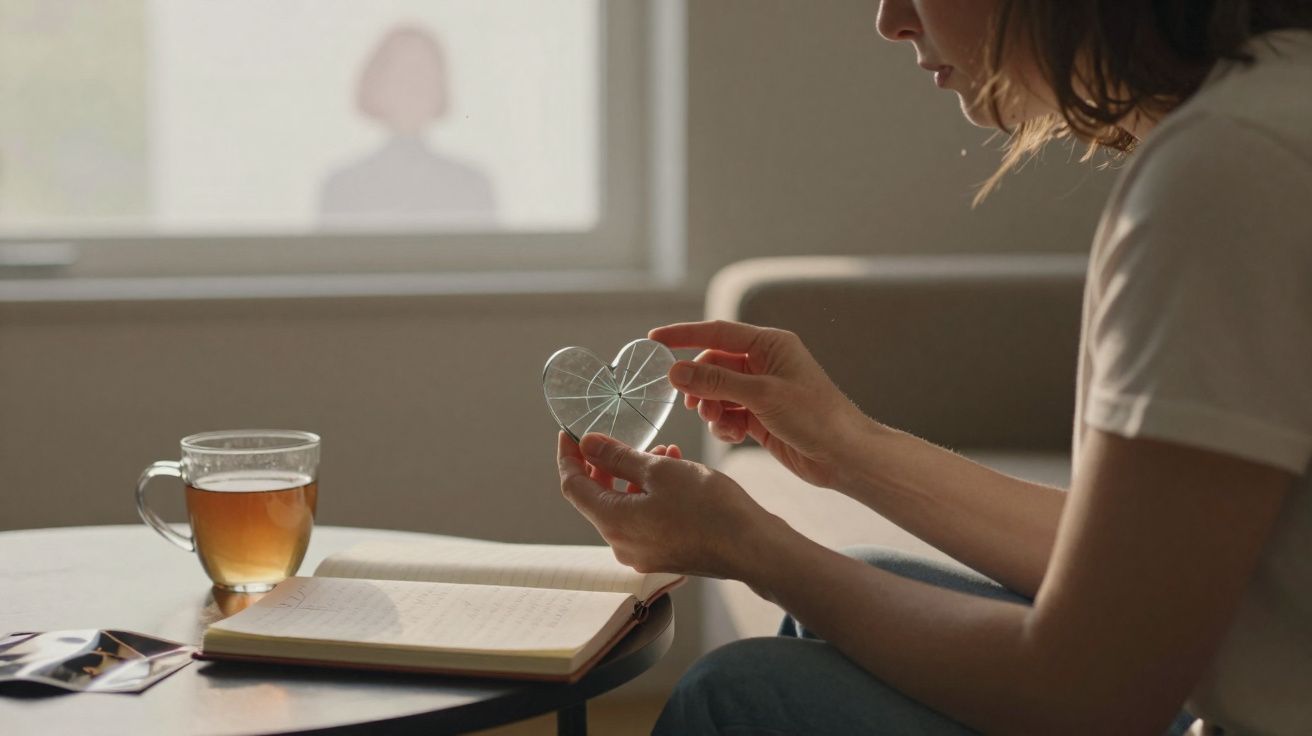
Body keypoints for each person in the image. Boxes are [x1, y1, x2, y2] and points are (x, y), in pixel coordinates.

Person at [556, 1, 1312, 734]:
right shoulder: (1272, 106)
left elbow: (1089, 695)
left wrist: (749, 547)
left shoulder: (1226, 170)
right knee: (873, 577)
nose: (890, 18)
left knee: (737, 696)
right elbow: (1135, 571)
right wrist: (846, 444)